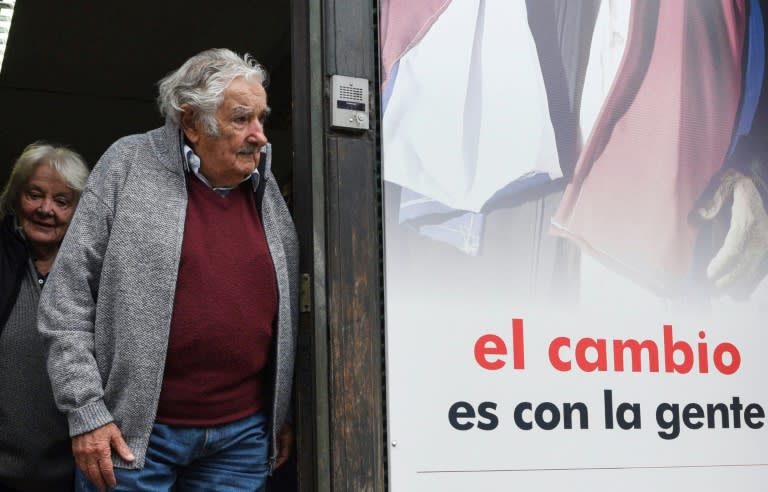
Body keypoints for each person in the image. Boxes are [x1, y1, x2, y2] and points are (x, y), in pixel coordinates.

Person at [37, 48, 299, 491]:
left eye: (261, 118)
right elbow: (66, 300)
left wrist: (280, 411)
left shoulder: (263, 185)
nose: (260, 136)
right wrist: (85, 412)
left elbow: (290, 309)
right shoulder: (127, 165)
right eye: (241, 119)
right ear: (191, 122)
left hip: (241, 439)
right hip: (132, 437)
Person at [0, 142, 89, 491]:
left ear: (80, 211)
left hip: (74, 476)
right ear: (15, 197)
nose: (46, 209)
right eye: (34, 195)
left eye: (62, 201)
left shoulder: (95, 277)